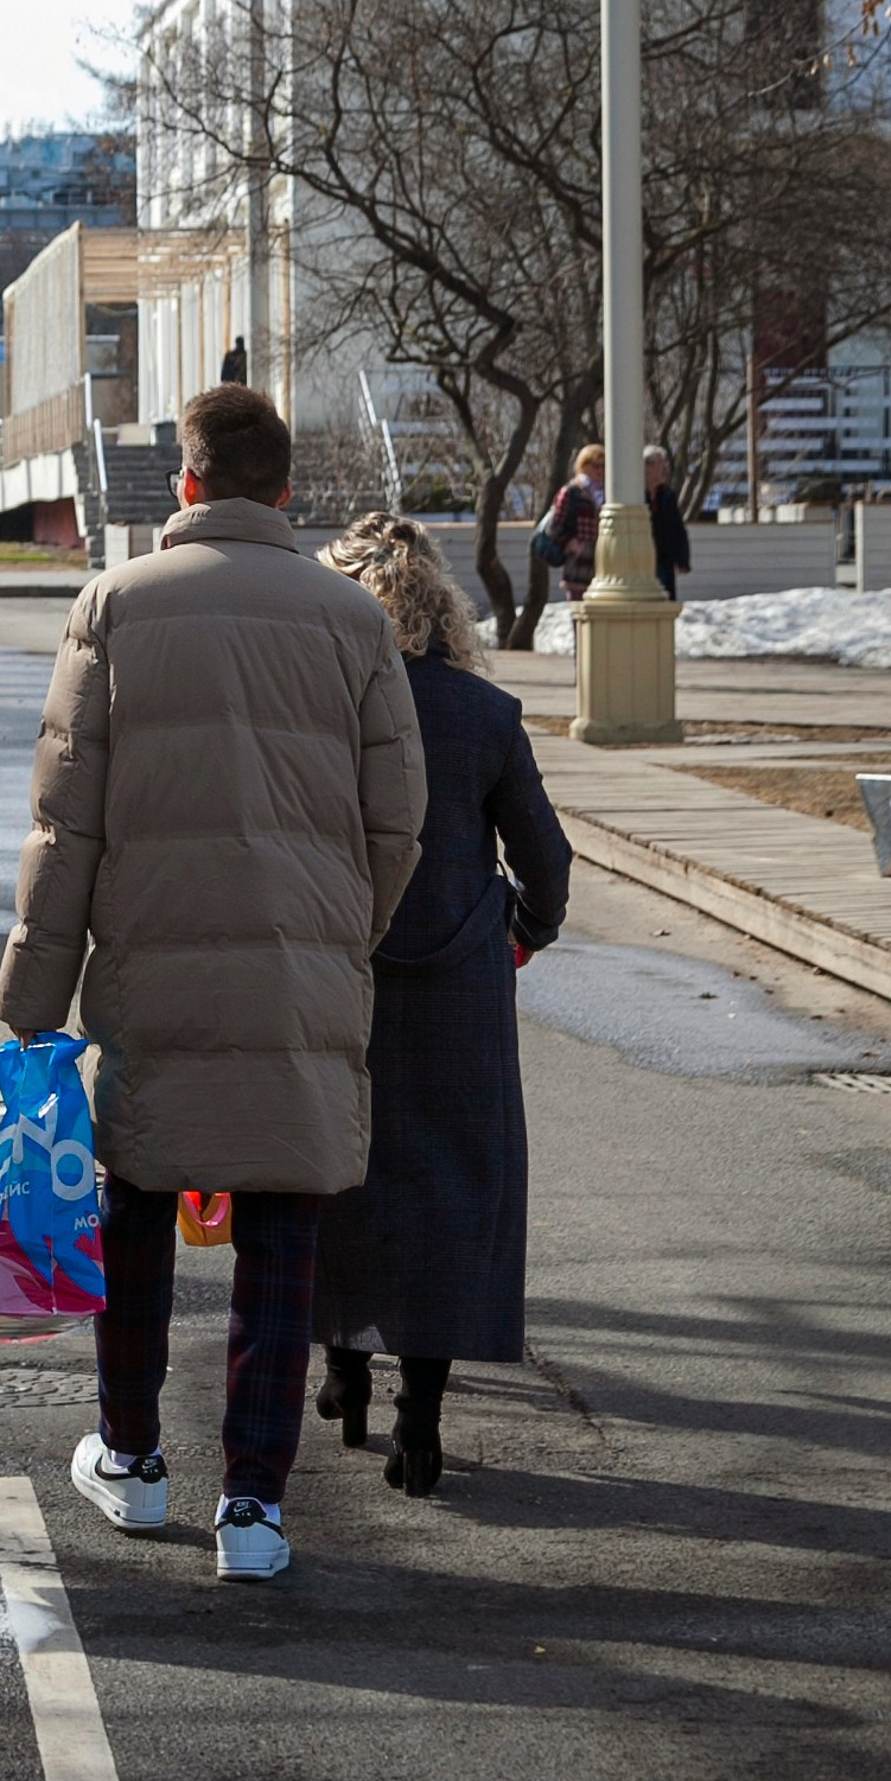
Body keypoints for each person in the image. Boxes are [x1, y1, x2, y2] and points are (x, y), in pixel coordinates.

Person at [0, 385, 426, 1582]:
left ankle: (130, 1458)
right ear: (284, 490)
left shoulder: (114, 605)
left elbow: (63, 822)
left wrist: (32, 1002)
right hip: (300, 979)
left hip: (151, 972)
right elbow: (399, 825)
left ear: (185, 484)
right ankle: (252, 1507)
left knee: (133, 1208)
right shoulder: (351, 620)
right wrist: (341, 932)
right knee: (281, 1236)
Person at [311, 514, 571, 1496]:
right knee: (450, 1194)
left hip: (349, 970)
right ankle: (421, 1421)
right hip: (464, 983)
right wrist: (521, 936)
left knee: (343, 1173)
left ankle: (343, 1371)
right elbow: (543, 861)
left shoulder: (332, 709)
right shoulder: (486, 716)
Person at [547, 444, 606, 602]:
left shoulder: (609, 492)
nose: (600, 470)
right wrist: (572, 544)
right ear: (584, 466)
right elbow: (555, 527)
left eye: (604, 466)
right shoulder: (571, 491)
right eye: (595, 465)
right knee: (580, 620)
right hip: (578, 567)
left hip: (604, 565)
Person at [647, 445, 692, 602]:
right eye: (660, 464)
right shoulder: (635, 495)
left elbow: (678, 528)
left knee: (666, 602)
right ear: (647, 467)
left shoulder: (667, 495)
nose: (665, 469)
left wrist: (683, 559)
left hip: (665, 561)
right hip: (643, 560)